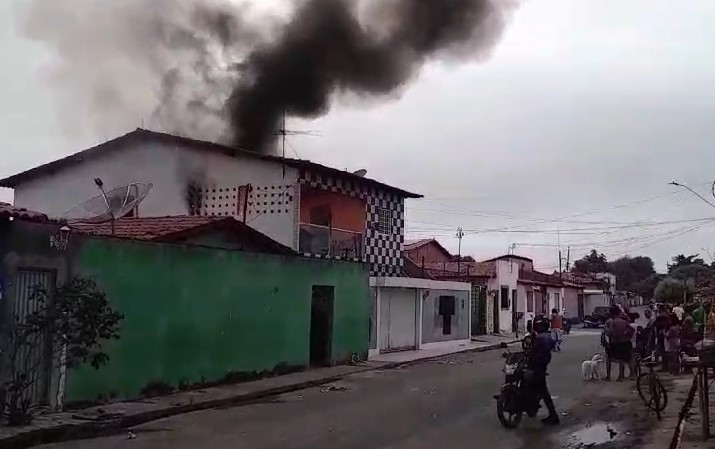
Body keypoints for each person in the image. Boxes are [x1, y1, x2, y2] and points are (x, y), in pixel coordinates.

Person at [528, 314, 560, 425]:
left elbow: (532, 352)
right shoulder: (547, 336)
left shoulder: (540, 338)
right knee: (539, 389)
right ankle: (532, 406)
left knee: (543, 391)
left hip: (537, 367)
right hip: (541, 366)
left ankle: (553, 415)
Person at [604, 305, 634, 381]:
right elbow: (632, 330)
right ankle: (622, 376)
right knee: (623, 360)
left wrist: (606, 331)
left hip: (615, 343)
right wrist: (627, 335)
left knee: (609, 359)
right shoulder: (624, 321)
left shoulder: (611, 322)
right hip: (626, 342)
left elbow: (610, 332)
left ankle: (608, 377)